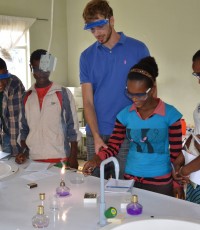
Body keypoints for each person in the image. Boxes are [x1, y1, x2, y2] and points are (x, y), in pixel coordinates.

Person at [83, 56, 184, 197]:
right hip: (131, 180)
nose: (134, 99)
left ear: (152, 89)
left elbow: (176, 154)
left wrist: (177, 183)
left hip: (161, 183)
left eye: (140, 95)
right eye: (130, 94)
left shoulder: (170, 115)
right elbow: (113, 147)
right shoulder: (124, 116)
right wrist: (95, 160)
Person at [80, 0, 150, 179]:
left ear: (111, 20)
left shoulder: (138, 49)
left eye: (100, 26)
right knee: (95, 189)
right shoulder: (86, 57)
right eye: (92, 29)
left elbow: (150, 91)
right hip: (96, 133)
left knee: (126, 188)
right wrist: (95, 136)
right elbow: (87, 101)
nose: (96, 33)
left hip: (128, 132)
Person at [15, 49, 81, 169]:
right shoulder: (27, 96)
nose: (41, 74)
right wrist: (23, 152)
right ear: (31, 68)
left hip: (60, 158)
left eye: (45, 69)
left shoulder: (63, 93)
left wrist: (73, 156)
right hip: (33, 160)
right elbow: (23, 129)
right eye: (36, 69)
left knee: (60, 188)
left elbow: (73, 128)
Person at [173, 50, 200, 204]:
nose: (199, 81)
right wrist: (181, 159)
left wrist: (184, 170)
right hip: (195, 178)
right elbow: (196, 134)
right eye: (196, 75)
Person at [0, 57, 25, 156]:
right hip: (4, 133)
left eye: (3, 78)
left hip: (19, 135)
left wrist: (19, 152)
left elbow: (14, 119)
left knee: (19, 166)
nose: (1, 83)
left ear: (7, 72)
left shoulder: (14, 84)